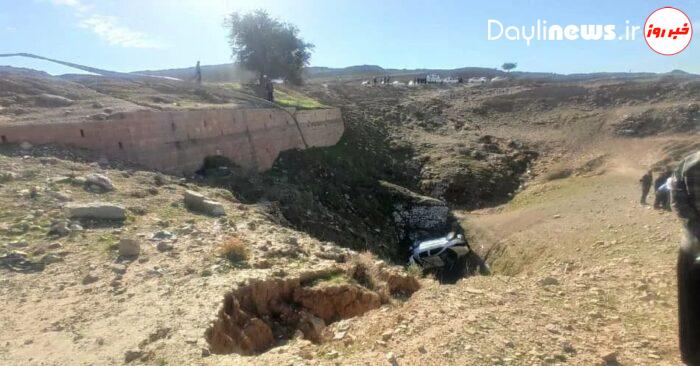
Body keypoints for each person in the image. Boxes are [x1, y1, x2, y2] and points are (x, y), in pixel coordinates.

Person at [671, 151, 700, 365]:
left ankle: (692, 356)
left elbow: (678, 205)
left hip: (693, 245)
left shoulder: (686, 163)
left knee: (691, 305)